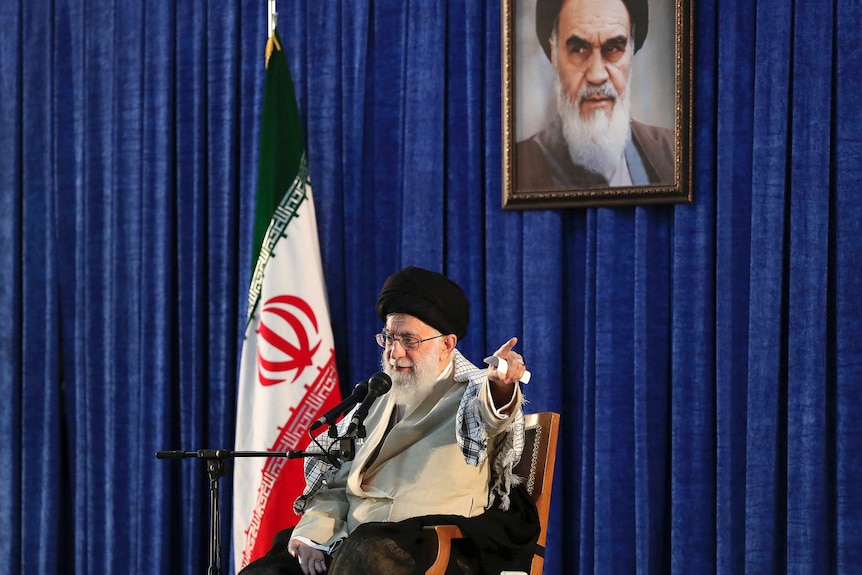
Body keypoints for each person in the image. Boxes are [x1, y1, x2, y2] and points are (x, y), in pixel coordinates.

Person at [239, 266, 539, 575]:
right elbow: (337, 480)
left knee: (367, 554)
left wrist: (501, 385)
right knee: (268, 569)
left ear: (447, 345)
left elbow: (492, 414)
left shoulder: (471, 392)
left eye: (409, 340)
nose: (395, 353)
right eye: (389, 338)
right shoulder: (377, 398)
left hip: (433, 546)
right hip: (356, 538)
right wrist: (313, 532)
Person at [516, 0, 675, 189]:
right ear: (554, 54)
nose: (597, 75)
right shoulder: (518, 169)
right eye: (578, 49)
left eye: (613, 48)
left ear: (631, 52)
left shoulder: (673, 152)